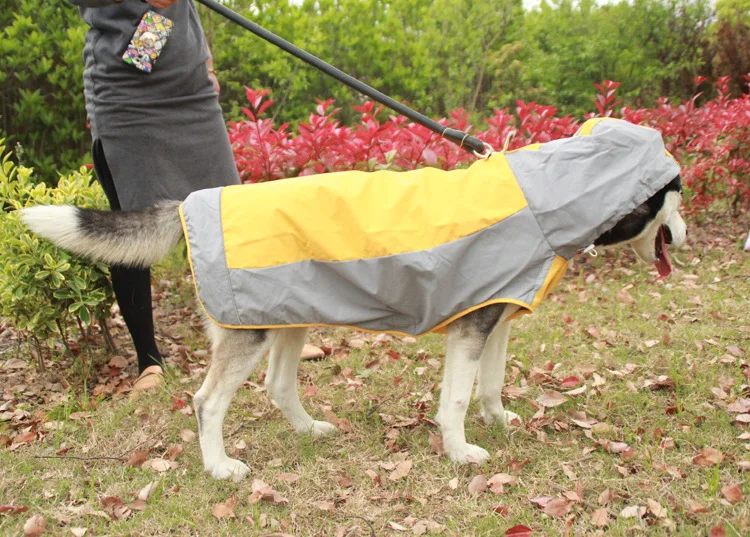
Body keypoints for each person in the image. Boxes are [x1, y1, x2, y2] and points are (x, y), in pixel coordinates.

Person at [69, 0, 240, 392]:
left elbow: (176, 9)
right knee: (133, 218)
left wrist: (207, 62)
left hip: (190, 88)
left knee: (227, 212)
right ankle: (148, 361)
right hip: (127, 93)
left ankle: (262, 330)